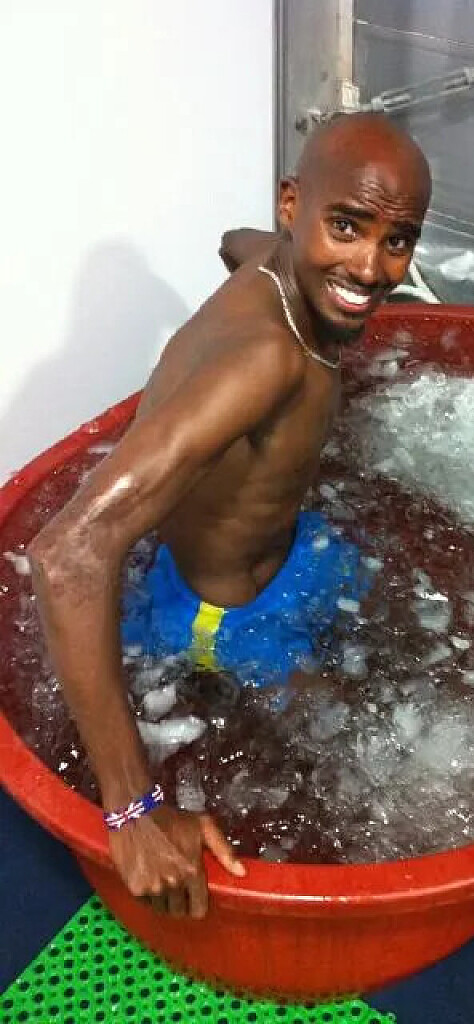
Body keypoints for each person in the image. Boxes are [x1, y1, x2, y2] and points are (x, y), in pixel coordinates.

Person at [29, 113, 431, 919]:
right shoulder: (264, 360)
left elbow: (231, 240)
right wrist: (133, 810)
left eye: (397, 240)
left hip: (292, 548)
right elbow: (66, 554)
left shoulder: (267, 260)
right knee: (381, 767)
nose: (369, 268)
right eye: (346, 227)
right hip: (229, 618)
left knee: (397, 628)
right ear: (292, 204)